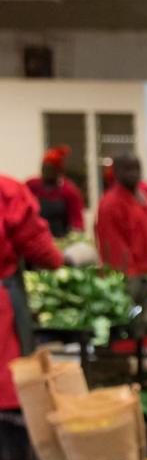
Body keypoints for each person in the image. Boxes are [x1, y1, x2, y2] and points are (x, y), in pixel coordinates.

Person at [0, 176, 63, 409]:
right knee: (8, 385)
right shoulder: (6, 192)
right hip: (3, 311)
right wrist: (58, 260)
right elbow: (36, 243)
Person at [24, 146, 85, 238]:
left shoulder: (69, 190)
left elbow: (77, 220)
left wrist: (76, 237)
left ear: (58, 170)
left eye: (49, 168)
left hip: (61, 238)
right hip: (34, 237)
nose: (45, 171)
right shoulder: (31, 185)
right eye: (44, 168)